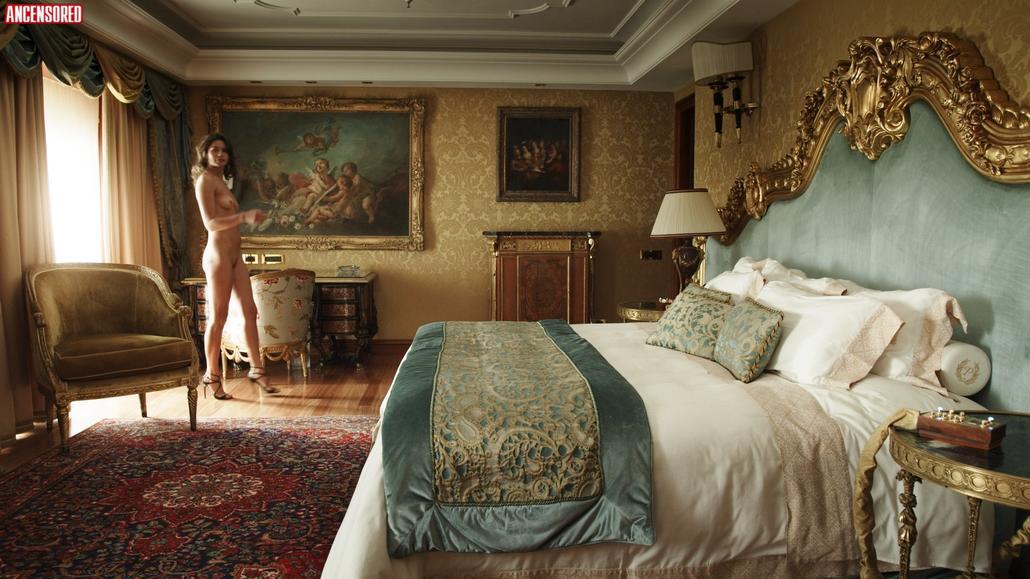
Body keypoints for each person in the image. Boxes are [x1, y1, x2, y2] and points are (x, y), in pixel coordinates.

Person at [193, 133, 279, 398]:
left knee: (250, 311)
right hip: (217, 256)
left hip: (235, 256)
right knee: (218, 317)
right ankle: (212, 376)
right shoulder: (204, 180)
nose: (220, 154)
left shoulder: (222, 181)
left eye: (224, 150)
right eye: (214, 150)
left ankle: (257, 370)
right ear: (205, 153)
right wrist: (243, 216)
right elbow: (210, 223)